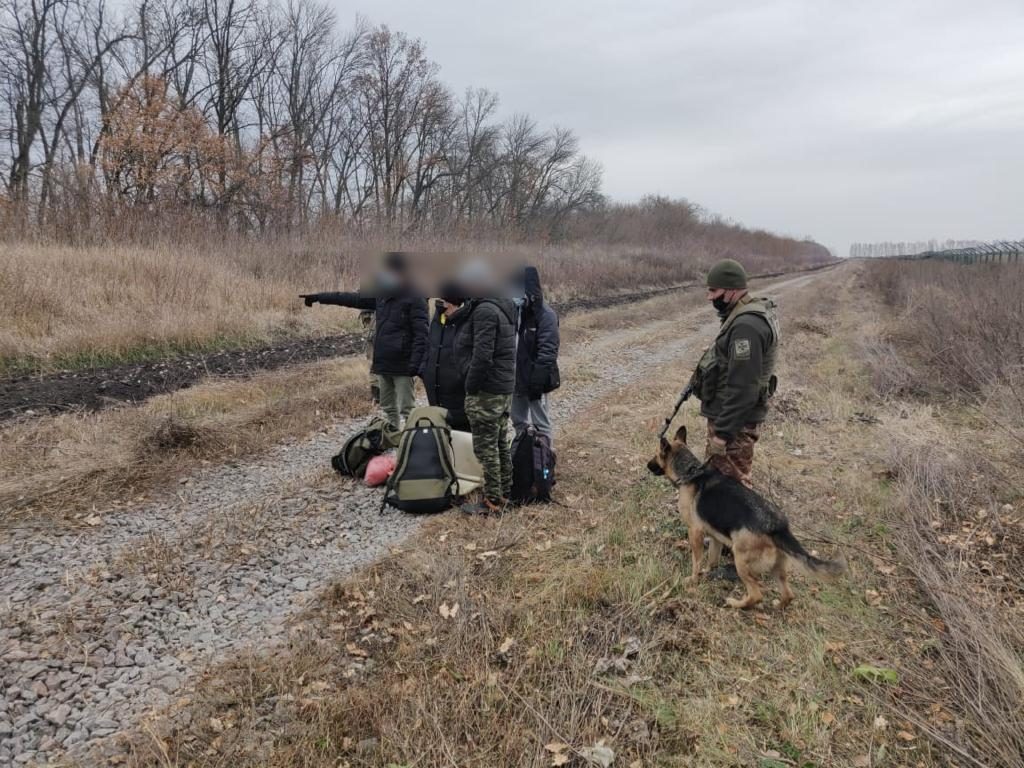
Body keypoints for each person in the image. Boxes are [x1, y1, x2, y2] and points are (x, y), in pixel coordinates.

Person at [301, 252, 428, 430]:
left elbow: (422, 335)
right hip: (383, 362)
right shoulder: (381, 294)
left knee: (408, 410)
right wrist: (319, 297)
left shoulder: (415, 297)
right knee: (388, 407)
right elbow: (349, 298)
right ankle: (393, 439)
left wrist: (415, 364)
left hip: (403, 365)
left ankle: (413, 444)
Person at [693, 258, 780, 488]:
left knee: (733, 491)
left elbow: (743, 387)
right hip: (732, 419)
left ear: (731, 290)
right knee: (718, 486)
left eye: (714, 290)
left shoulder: (746, 327)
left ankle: (745, 525)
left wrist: (722, 434)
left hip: (734, 424)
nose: (709, 297)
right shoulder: (743, 316)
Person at [448, 272, 517, 515]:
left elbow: (483, 356)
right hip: (502, 387)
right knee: (499, 442)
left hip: (487, 390)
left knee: (486, 447)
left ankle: (493, 501)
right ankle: (506, 492)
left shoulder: (485, 311)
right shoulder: (504, 304)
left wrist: (470, 385)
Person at [512, 266, 559, 444]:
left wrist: (536, 384)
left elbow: (548, 353)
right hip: (515, 379)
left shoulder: (546, 315)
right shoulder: (514, 312)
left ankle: (545, 461)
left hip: (535, 380)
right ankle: (524, 457)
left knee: (541, 424)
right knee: (518, 421)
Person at [420, 291, 471, 431]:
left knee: (462, 440)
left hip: (460, 400)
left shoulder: (470, 319)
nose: (444, 307)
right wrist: (424, 370)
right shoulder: (438, 317)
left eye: (447, 305)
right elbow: (429, 345)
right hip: (436, 396)